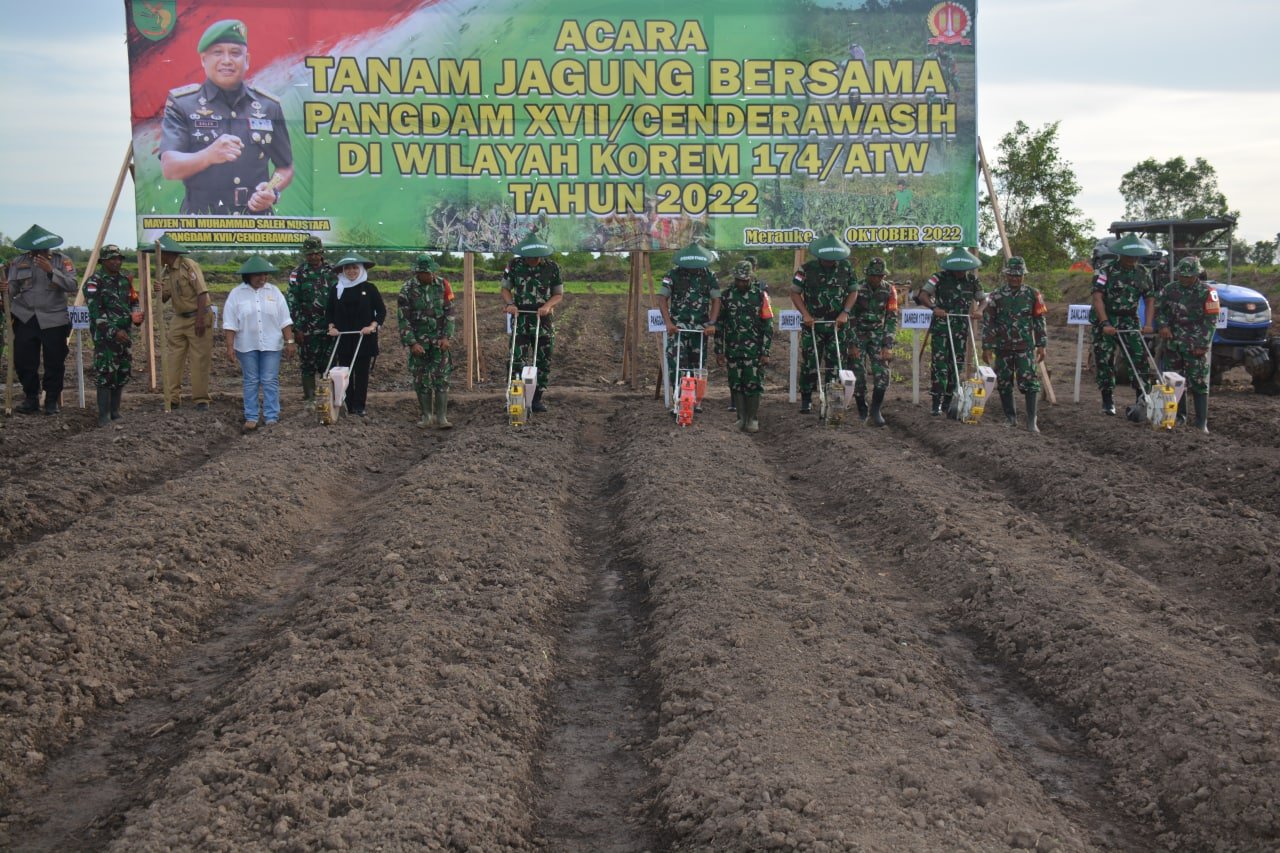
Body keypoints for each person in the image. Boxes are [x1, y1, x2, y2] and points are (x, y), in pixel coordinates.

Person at [159, 19, 293, 215]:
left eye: (235, 53)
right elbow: (170, 167)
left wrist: (272, 189)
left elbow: (285, 167)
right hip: (202, 221)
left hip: (256, 222)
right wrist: (208, 156)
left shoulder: (268, 106)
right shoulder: (182, 104)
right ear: (203, 59)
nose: (227, 60)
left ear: (247, 60)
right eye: (217, 53)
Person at [3, 224, 78, 415]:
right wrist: (4, 290)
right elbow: (12, 289)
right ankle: (31, 398)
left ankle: (51, 400)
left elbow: (72, 285)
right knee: (24, 360)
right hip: (25, 317)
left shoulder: (62, 261)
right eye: (34, 249)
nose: (38, 252)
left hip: (54, 318)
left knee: (55, 361)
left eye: (41, 249)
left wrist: (51, 271)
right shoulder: (19, 262)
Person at [223, 256, 295, 431]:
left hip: (271, 344)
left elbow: (285, 320)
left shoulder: (274, 292)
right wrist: (230, 346)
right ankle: (251, 416)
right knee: (251, 380)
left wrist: (289, 341)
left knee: (270, 380)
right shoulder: (236, 294)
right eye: (258, 275)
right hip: (246, 345)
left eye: (265, 275)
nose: (262, 278)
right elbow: (230, 323)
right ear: (248, 276)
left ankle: (271, 416)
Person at [790, 233, 857, 414]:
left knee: (836, 363)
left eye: (833, 259)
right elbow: (794, 292)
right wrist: (805, 314)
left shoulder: (846, 268)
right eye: (826, 259)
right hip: (813, 325)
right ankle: (806, 399)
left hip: (837, 325)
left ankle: (833, 401)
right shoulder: (805, 270)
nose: (829, 262)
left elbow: (853, 291)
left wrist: (845, 313)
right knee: (810, 363)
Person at [1091, 233, 1155, 415]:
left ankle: (1142, 399)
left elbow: (1150, 299)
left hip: (1129, 319)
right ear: (1120, 254)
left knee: (1139, 358)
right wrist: (1105, 323)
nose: (1132, 260)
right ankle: (1107, 400)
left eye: (1135, 256)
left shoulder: (1143, 273)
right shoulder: (1105, 271)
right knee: (1104, 358)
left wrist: (1148, 324)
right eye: (1129, 256)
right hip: (1107, 318)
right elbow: (1097, 298)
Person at [982, 257, 1048, 433]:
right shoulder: (996, 295)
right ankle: (1010, 418)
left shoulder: (1033, 294)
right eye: (1011, 275)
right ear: (1006, 275)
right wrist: (987, 346)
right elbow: (989, 322)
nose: (1015, 278)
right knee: (1004, 382)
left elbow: (1039, 320)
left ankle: (1032, 422)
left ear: (1023, 275)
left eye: (1018, 275)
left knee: (1030, 382)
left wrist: (1042, 344)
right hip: (1002, 347)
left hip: (1024, 347)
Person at [1155, 256, 1218, 433]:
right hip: (1173, 343)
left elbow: (1211, 320)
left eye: (1188, 276)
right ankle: (1179, 416)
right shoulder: (1169, 289)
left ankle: (1201, 422)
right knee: (1175, 381)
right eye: (1181, 275)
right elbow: (1160, 310)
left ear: (1196, 274)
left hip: (1195, 345)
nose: (1184, 278)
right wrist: (1163, 326)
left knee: (1198, 381)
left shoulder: (1207, 292)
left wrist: (1203, 344)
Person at [501, 236, 564, 413]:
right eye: (529, 256)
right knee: (516, 359)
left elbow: (558, 294)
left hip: (542, 319)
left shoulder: (552, 267)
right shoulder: (514, 265)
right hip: (521, 316)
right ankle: (515, 398)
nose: (532, 259)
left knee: (543, 358)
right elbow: (505, 289)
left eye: (535, 256)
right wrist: (510, 304)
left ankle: (536, 399)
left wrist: (547, 306)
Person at [918, 247, 984, 415]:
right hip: (942, 326)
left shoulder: (973, 280)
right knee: (939, 365)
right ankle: (936, 403)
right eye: (957, 269)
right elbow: (923, 295)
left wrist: (979, 310)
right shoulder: (938, 277)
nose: (960, 272)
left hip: (960, 328)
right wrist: (934, 308)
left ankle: (948, 401)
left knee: (956, 365)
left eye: (963, 269)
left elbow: (983, 299)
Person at [83, 245, 143, 425]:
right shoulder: (95, 282)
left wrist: (136, 315)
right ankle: (104, 416)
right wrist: (114, 331)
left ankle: (115, 412)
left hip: (125, 336)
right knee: (106, 374)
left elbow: (134, 301)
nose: (116, 262)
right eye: (112, 259)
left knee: (122, 372)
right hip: (105, 338)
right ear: (103, 261)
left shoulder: (124, 281)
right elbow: (95, 313)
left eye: (119, 259)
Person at [657, 242, 720, 412]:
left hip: (699, 330)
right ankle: (679, 401)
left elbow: (716, 300)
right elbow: (662, 298)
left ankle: (696, 401)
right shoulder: (673, 274)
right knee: (677, 363)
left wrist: (712, 323)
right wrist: (668, 323)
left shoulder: (710, 275)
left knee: (697, 366)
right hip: (678, 328)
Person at [154, 234, 213, 411]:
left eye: (160, 254)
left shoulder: (188, 266)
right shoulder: (166, 272)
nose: (158, 257)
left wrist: (200, 320)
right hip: (179, 317)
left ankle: (201, 399)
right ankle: (172, 398)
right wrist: (158, 289)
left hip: (198, 315)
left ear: (167, 253)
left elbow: (202, 293)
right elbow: (164, 298)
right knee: (173, 359)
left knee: (199, 359)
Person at [715, 261, 774, 433]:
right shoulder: (726, 296)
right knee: (736, 384)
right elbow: (719, 325)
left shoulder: (761, 296)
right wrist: (719, 351)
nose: (741, 283)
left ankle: (752, 419)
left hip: (754, 351)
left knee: (753, 384)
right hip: (733, 350)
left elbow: (768, 326)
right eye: (738, 280)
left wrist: (765, 351)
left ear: (750, 278)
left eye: (744, 280)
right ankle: (740, 418)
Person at [398, 255, 456, 429]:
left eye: (431, 272)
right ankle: (427, 416)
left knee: (442, 378)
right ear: (418, 273)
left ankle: (442, 417)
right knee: (421, 378)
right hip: (419, 342)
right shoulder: (407, 289)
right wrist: (412, 343)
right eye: (426, 273)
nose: (430, 275)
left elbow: (450, 313)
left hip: (439, 342)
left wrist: (446, 337)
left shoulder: (443, 285)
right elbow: (403, 319)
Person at [326, 254, 385, 417]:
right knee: (344, 372)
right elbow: (329, 311)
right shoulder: (336, 289)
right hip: (343, 337)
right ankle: (347, 403)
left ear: (361, 269)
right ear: (343, 271)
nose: (351, 271)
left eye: (354, 268)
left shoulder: (370, 288)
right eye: (348, 268)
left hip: (364, 338)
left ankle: (359, 406)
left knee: (361, 373)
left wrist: (372, 326)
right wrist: (331, 327)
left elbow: (381, 311)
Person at [847, 257, 899, 427]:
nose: (877, 278)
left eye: (880, 275)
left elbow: (891, 318)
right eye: (874, 275)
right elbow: (850, 317)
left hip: (878, 335)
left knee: (882, 372)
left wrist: (887, 345)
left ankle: (876, 410)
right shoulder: (857, 289)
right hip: (858, 334)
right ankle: (862, 409)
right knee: (858, 373)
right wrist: (852, 344)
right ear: (868, 274)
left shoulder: (890, 290)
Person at [287, 236, 337, 408]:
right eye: (309, 254)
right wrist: (297, 328)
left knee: (330, 364)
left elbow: (340, 297)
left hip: (330, 328)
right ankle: (309, 399)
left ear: (321, 252)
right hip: (306, 329)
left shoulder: (333, 271)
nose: (313, 257)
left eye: (316, 253)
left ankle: (328, 398)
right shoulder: (298, 273)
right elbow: (292, 301)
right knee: (307, 364)